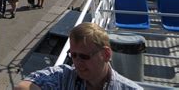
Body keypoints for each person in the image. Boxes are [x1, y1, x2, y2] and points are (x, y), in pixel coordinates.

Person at [15, 23, 143, 90]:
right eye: (73, 55)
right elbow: (24, 87)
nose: (77, 62)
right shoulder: (64, 76)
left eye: (84, 56)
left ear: (106, 54)